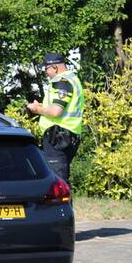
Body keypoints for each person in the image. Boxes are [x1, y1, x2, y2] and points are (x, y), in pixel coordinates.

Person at [26, 53, 84, 182]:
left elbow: (55, 111)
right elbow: (58, 106)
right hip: (69, 133)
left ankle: (63, 203)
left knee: (58, 180)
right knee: (60, 176)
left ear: (54, 68)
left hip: (58, 135)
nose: (46, 72)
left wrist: (37, 109)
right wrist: (42, 106)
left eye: (46, 69)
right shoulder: (72, 79)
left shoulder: (62, 82)